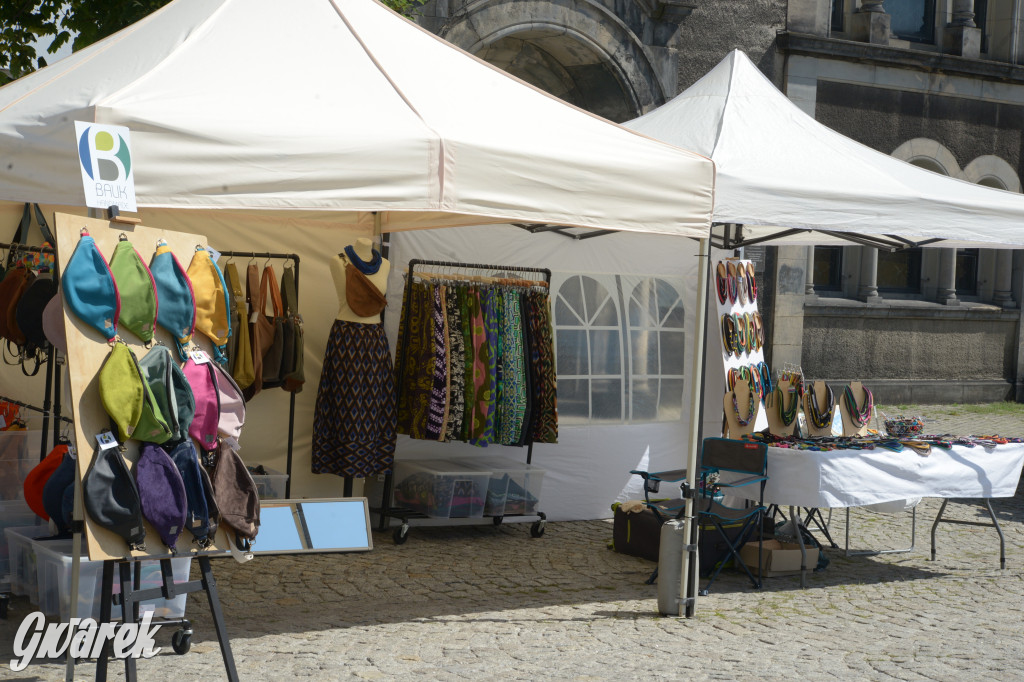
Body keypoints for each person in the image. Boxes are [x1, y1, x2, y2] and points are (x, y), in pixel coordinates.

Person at [311, 237, 396, 479]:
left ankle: (366, 462)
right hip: (346, 341)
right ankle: (343, 462)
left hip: (375, 344)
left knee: (373, 406)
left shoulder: (386, 265)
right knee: (343, 403)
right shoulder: (338, 261)